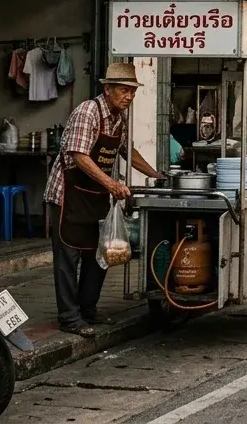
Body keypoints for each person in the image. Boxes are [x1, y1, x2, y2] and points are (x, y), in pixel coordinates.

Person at [44, 62, 162, 337]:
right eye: (124, 90)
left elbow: (126, 150)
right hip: (67, 196)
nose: (129, 97)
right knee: (68, 258)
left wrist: (155, 174)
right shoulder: (89, 111)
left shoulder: (120, 118)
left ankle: (88, 310)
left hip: (95, 198)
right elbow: (78, 155)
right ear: (107, 89)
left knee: (99, 256)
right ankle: (69, 317)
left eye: (132, 91)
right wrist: (111, 183)